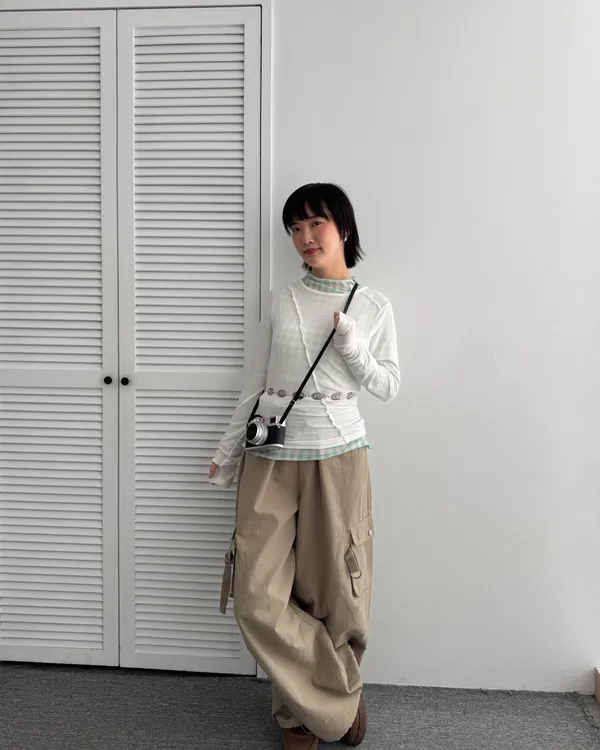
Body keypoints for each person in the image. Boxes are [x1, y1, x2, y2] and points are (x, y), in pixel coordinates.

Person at [208, 182, 400, 750]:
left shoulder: (373, 305)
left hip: (339, 458)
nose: (305, 236)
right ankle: (339, 695)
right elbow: (255, 383)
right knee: (256, 596)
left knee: (332, 590)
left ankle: (300, 720)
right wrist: (227, 452)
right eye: (295, 227)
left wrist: (353, 346)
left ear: (344, 227)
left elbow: (388, 385)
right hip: (271, 457)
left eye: (316, 223)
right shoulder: (281, 299)